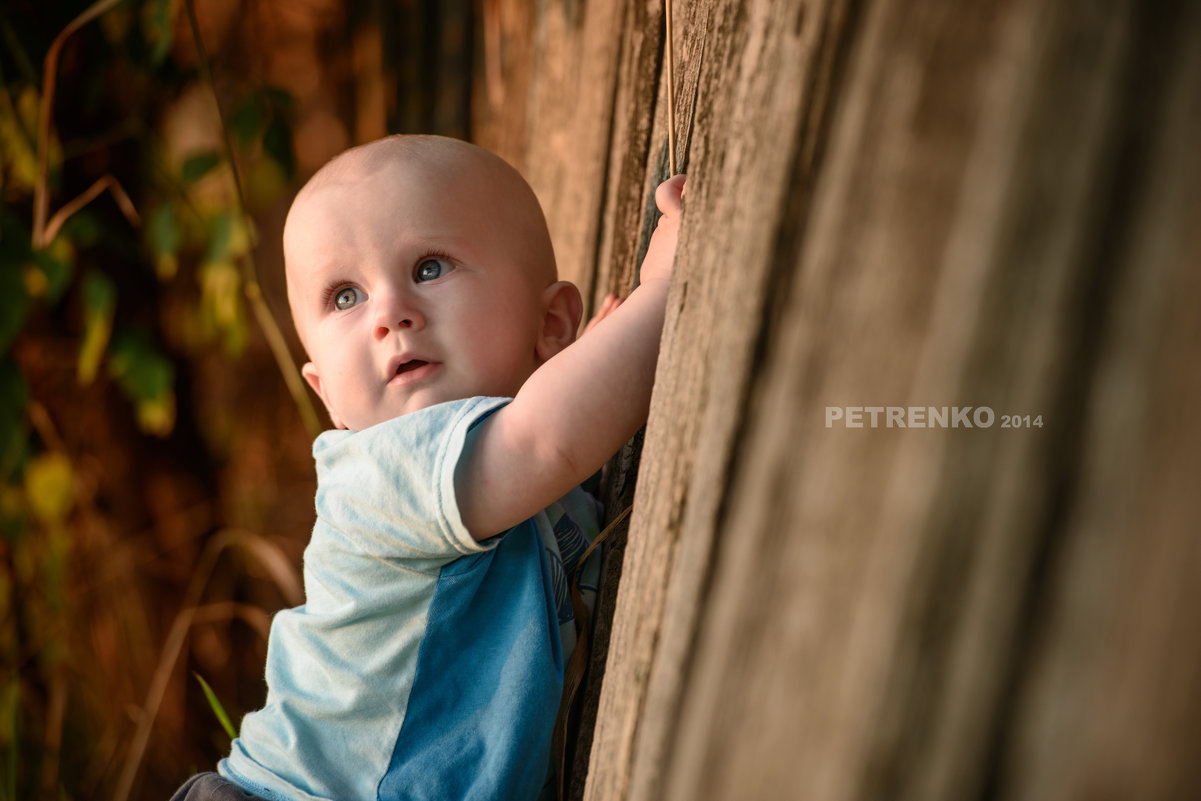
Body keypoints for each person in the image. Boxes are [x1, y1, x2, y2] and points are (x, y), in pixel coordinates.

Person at [170, 134, 685, 801]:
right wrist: (666, 289)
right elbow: (542, 442)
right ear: (326, 393)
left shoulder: (498, 470)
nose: (390, 313)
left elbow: (546, 434)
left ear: (552, 322)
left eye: (429, 268)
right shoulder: (384, 472)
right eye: (345, 297)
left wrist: (589, 365)